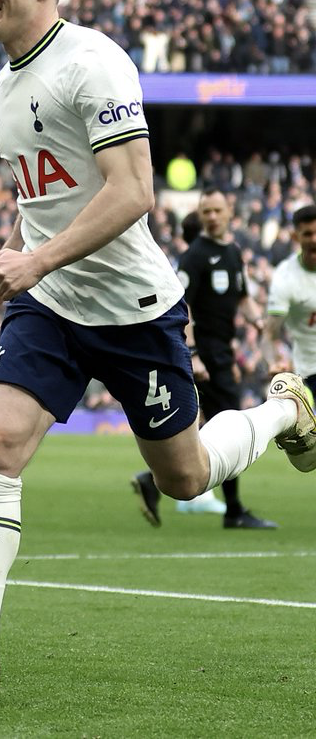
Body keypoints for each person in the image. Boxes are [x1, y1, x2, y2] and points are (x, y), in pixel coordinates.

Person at [0, 0, 315, 702]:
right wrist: (6, 271)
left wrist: (33, 260)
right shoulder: (2, 84)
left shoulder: (94, 63)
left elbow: (133, 193)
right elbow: (44, 207)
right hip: (51, 307)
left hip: (133, 311)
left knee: (187, 477)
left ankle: (283, 411)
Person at [131, 190, 277, 529]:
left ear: (229, 212)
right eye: (205, 211)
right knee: (231, 421)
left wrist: (259, 321)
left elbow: (243, 298)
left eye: (217, 210)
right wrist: (193, 354)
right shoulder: (195, 255)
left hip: (223, 349)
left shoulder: (233, 252)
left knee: (213, 425)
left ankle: (151, 480)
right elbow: (184, 305)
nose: (211, 216)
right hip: (205, 352)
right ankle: (234, 510)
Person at [263, 204, 316, 441]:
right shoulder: (286, 277)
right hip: (310, 372)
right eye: (307, 234)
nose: (314, 240)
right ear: (296, 236)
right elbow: (269, 334)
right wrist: (273, 361)